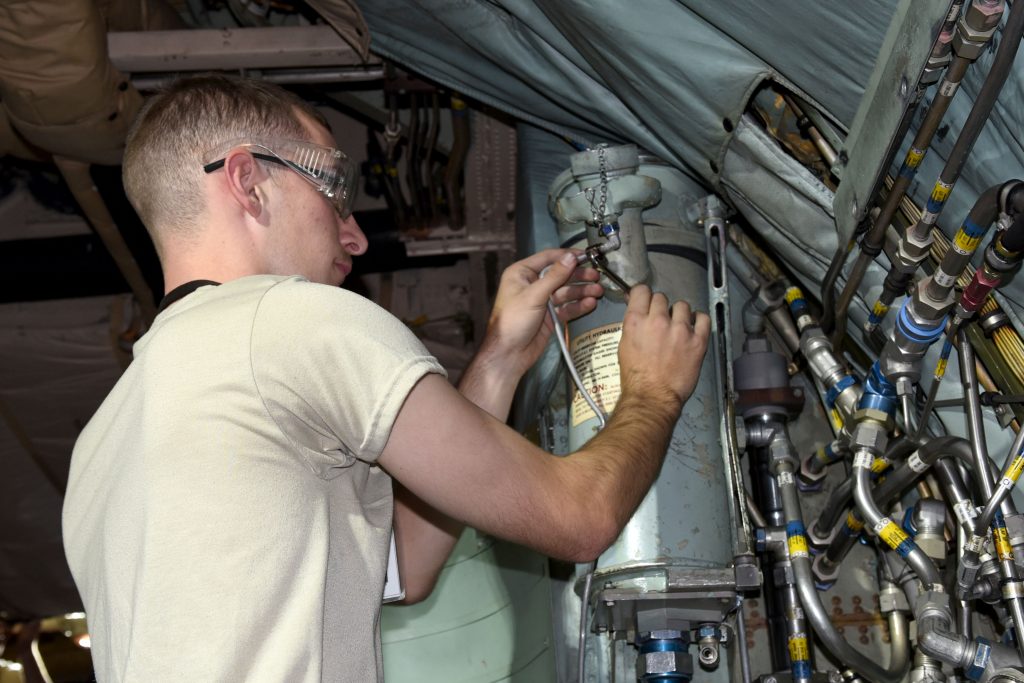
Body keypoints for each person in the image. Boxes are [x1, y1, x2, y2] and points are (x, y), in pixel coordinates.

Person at [61, 74, 710, 682]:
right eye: (333, 188)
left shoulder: (104, 437)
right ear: (247, 179)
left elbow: (402, 563)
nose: (354, 235)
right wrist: (654, 391)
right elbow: (579, 515)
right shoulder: (291, 320)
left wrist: (499, 362)